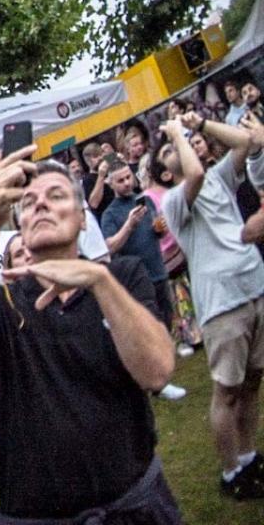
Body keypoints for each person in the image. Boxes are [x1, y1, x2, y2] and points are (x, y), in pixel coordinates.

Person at [0, 148, 182, 521]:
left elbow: (157, 372)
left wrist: (99, 280)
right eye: (28, 203)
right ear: (20, 227)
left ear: (81, 219)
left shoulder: (122, 277)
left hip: (131, 506)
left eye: (56, 196)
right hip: (37, 514)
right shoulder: (4, 298)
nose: (40, 204)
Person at [158, 111, 264, 497]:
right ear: (166, 171)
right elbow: (195, 175)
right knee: (227, 391)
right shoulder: (173, 201)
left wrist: (199, 124)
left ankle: (250, 456)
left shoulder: (220, 176)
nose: (182, 144)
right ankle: (231, 471)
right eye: (170, 149)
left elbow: (245, 142)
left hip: (255, 286)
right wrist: (174, 131)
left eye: (182, 142)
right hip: (222, 305)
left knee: (253, 382)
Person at [98, 156, 190, 400]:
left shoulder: (146, 200)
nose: (127, 183)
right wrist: (129, 225)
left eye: (129, 177)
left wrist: (159, 229)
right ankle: (154, 380)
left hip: (158, 268)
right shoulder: (110, 214)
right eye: (120, 180)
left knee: (166, 316)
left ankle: (162, 367)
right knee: (148, 325)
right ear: (111, 184)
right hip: (136, 278)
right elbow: (110, 246)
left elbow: (156, 231)